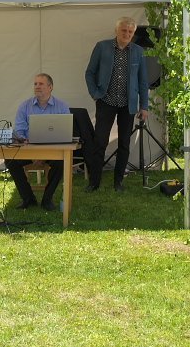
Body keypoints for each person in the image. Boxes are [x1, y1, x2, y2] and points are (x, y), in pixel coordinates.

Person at [84, 16, 149, 192]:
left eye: (130, 31)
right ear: (116, 31)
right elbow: (90, 73)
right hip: (106, 101)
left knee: (124, 144)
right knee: (100, 142)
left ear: (133, 33)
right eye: (124, 30)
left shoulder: (137, 51)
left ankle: (118, 182)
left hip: (128, 105)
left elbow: (143, 81)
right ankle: (94, 182)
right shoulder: (102, 47)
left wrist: (144, 106)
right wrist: (95, 93)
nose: (127, 34)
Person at [8, 74, 70, 210]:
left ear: (50, 87)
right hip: (29, 150)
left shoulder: (62, 107)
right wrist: (32, 154)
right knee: (10, 160)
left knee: (61, 162)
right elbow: (19, 132)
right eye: (35, 84)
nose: (37, 87)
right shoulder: (24, 106)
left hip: (53, 152)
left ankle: (47, 199)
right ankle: (28, 198)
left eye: (41, 84)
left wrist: (44, 155)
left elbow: (65, 134)